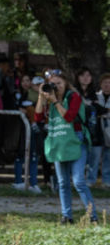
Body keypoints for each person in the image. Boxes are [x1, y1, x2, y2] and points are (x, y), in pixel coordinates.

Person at [36, 69, 98, 223]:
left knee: (78, 181)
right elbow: (37, 117)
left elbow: (69, 117)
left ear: (65, 83)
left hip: (76, 140)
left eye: (59, 83)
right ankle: (67, 216)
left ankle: (93, 217)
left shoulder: (74, 96)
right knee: (62, 182)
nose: (56, 86)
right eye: (52, 84)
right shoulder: (49, 99)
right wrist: (41, 96)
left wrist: (56, 101)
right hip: (58, 140)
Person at [12, 74, 43, 194]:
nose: (38, 87)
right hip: (22, 130)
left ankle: (34, 183)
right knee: (21, 154)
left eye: (41, 85)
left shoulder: (46, 97)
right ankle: (18, 181)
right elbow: (22, 107)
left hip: (38, 130)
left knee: (35, 155)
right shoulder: (23, 95)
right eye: (36, 85)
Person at [75, 67, 103, 187]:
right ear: (77, 77)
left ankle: (91, 181)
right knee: (79, 157)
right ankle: (78, 180)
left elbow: (100, 109)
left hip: (93, 130)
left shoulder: (96, 94)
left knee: (93, 157)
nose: (85, 78)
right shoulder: (73, 92)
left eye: (88, 75)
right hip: (77, 129)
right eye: (82, 75)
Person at [95, 73, 110, 187]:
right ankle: (91, 180)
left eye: (109, 83)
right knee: (94, 157)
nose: (107, 85)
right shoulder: (95, 96)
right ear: (101, 84)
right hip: (97, 129)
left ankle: (106, 181)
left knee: (108, 157)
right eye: (105, 83)